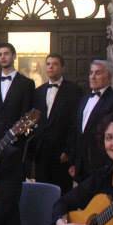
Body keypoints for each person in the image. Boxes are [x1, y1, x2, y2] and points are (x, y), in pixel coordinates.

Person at [66, 60, 113, 183]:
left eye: (98, 73)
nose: (93, 77)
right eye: (91, 73)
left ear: (109, 77)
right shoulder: (84, 99)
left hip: (103, 164)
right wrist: (74, 162)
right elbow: (78, 132)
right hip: (82, 166)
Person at [30, 54, 82, 193]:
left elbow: (75, 123)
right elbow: (35, 121)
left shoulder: (74, 91)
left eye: (55, 64)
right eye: (48, 64)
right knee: (42, 191)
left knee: (62, 191)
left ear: (62, 68)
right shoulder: (38, 92)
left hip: (61, 152)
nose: (51, 67)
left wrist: (68, 151)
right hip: (41, 152)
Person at [0, 43, 34, 144]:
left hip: (16, 139)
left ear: (14, 56)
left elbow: (27, 112)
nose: (3, 57)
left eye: (6, 54)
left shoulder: (26, 83)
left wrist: (18, 135)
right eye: (0, 54)